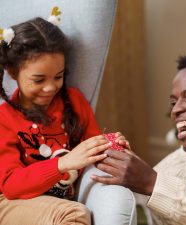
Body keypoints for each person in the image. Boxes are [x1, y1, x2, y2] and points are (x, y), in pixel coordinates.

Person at [0, 11, 128, 225]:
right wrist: (63, 164)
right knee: (74, 215)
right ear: (13, 72)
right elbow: (11, 185)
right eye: (38, 80)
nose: (50, 87)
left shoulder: (73, 101)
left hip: (57, 203)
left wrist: (113, 147)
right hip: (11, 201)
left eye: (58, 76)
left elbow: (92, 149)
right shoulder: (5, 119)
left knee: (73, 213)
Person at [92, 50, 186, 224]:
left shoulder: (156, 182)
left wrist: (154, 184)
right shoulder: (169, 171)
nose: (175, 109)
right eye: (173, 102)